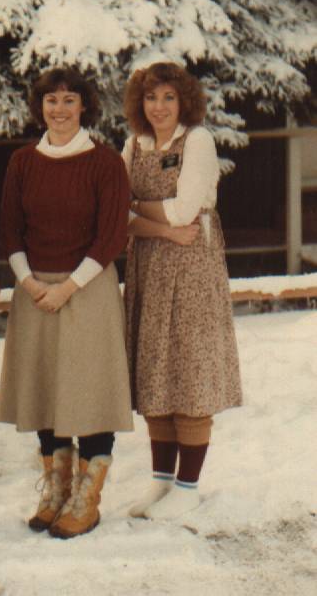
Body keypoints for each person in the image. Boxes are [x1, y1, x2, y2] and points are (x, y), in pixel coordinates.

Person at [0, 67, 133, 539]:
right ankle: (56, 491)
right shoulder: (22, 162)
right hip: (35, 290)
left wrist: (67, 287)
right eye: (51, 101)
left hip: (86, 290)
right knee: (47, 391)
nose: (59, 109)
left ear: (84, 107)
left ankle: (86, 501)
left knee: (88, 393)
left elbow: (112, 234)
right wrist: (30, 284)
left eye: (69, 100)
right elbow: (10, 230)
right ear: (40, 108)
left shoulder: (105, 162)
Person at [121, 62, 242, 520]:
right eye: (151, 98)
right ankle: (161, 483)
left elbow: (187, 208)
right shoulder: (133, 144)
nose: (159, 107)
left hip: (192, 267)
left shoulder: (199, 140)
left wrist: (139, 211)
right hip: (150, 265)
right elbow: (117, 207)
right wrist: (158, 223)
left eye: (169, 98)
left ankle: (188, 488)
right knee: (156, 368)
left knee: (187, 370)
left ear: (184, 100)